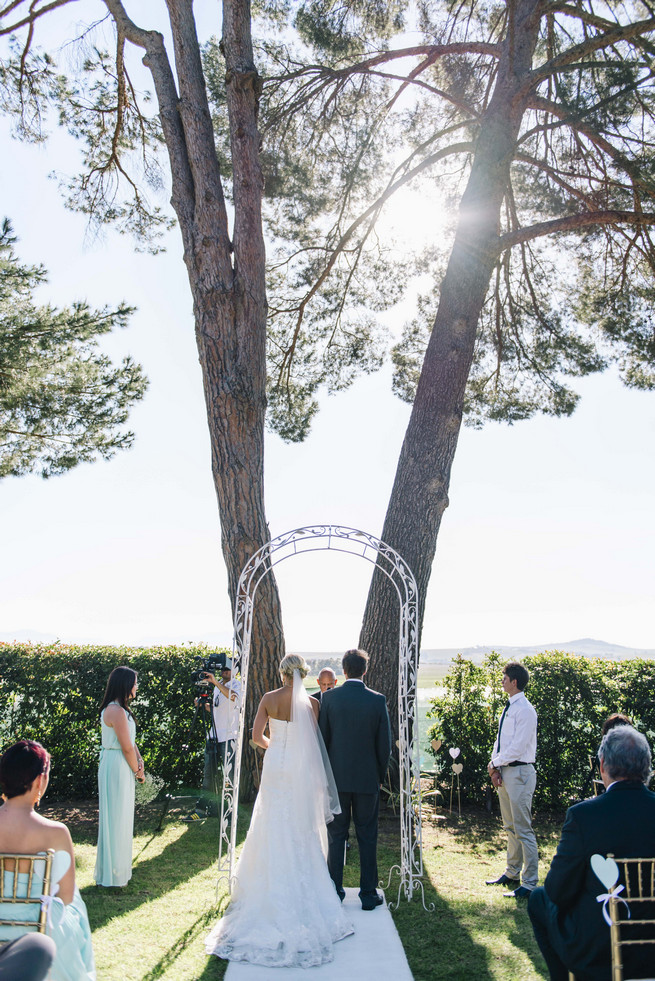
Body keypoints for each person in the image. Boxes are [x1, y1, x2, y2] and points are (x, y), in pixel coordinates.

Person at [205, 654, 353, 967]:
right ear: (302, 675)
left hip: (276, 768)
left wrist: (276, 747)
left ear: (282, 673)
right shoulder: (312, 704)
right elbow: (313, 743)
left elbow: (256, 737)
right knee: (300, 825)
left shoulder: (270, 698)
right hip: (299, 768)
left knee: (271, 820)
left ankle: (266, 891)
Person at [528, 725, 655, 980]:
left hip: (599, 954)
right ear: (646, 767)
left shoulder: (583, 816)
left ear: (603, 765)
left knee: (538, 899)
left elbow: (557, 891)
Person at [0, 740, 95, 980]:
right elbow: (65, 896)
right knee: (76, 901)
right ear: (39, 781)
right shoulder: (56, 832)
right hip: (39, 927)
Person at [318, 648, 392, 910]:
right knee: (367, 835)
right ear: (365, 669)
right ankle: (368, 895)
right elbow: (385, 747)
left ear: (344, 670)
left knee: (336, 836)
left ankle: (334, 891)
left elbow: (322, 742)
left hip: (336, 781)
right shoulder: (377, 700)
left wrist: (325, 778)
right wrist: (379, 776)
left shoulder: (330, 699)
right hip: (367, 780)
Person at [485, 661, 538, 898]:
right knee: (510, 826)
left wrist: (495, 764)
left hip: (520, 773)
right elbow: (502, 743)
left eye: (504, 677)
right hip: (505, 773)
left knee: (523, 828)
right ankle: (512, 872)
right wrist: (495, 768)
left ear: (514, 682)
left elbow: (517, 748)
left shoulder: (526, 710)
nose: (502, 681)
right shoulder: (508, 708)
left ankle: (529, 883)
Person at [94, 666, 144, 887]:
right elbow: (124, 747)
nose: (136, 687)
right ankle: (111, 874)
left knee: (122, 816)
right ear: (125, 684)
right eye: (134, 682)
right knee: (115, 817)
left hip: (123, 763)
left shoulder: (122, 710)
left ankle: (119, 870)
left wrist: (139, 760)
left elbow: (131, 742)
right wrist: (137, 771)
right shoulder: (115, 710)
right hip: (116, 765)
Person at [184, 662, 241, 821]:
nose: (224, 670)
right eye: (223, 668)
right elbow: (218, 710)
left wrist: (215, 682)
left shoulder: (237, 685)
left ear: (236, 670)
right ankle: (201, 810)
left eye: (228, 668)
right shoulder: (218, 686)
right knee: (208, 774)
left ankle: (229, 812)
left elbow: (234, 697)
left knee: (228, 777)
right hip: (214, 736)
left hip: (229, 737)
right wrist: (204, 706)